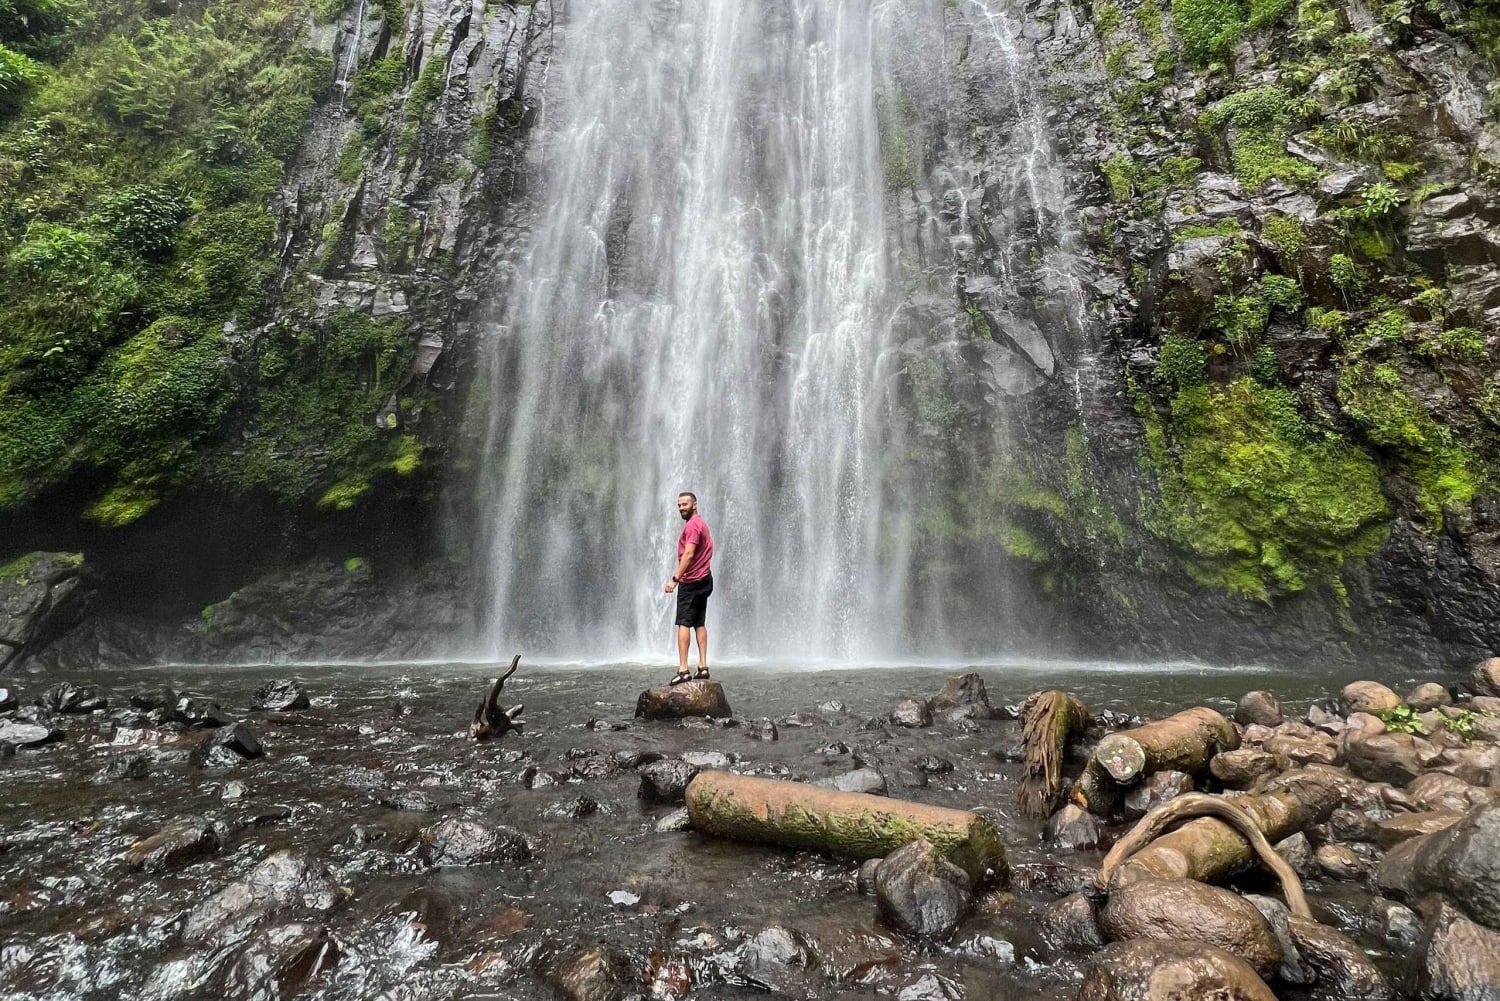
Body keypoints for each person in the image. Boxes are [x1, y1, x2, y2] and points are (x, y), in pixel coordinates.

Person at [664, 491, 714, 685]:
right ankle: (703, 667)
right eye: (679, 505)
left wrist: (675, 579)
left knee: (683, 624)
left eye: (685, 504)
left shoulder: (692, 526)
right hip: (705, 579)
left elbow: (689, 554)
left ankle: (684, 669)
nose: (681, 508)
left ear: (694, 504)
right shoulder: (701, 523)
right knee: (699, 623)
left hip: (691, 582)